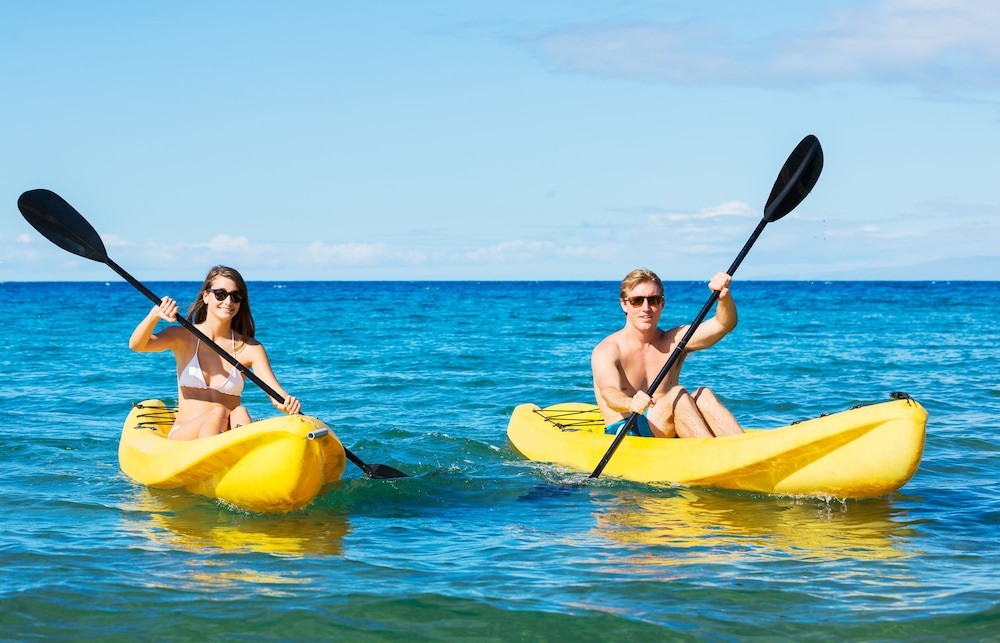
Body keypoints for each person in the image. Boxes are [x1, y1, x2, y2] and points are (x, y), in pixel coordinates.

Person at [129, 265, 301, 440]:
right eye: (220, 294)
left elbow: (276, 395)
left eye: (236, 296)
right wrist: (154, 316)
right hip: (185, 437)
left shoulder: (250, 348)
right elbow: (137, 345)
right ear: (205, 296)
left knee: (240, 412)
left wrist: (287, 403)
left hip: (225, 438)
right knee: (218, 413)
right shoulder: (183, 337)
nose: (228, 302)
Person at [591, 268, 744, 439]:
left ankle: (745, 451)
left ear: (662, 304)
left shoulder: (674, 340)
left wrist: (724, 297)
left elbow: (724, 324)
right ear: (624, 304)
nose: (646, 308)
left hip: (666, 425)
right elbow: (608, 392)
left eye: (653, 300)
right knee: (676, 396)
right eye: (637, 301)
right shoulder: (608, 349)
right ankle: (711, 455)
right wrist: (629, 402)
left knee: (703, 395)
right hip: (626, 430)